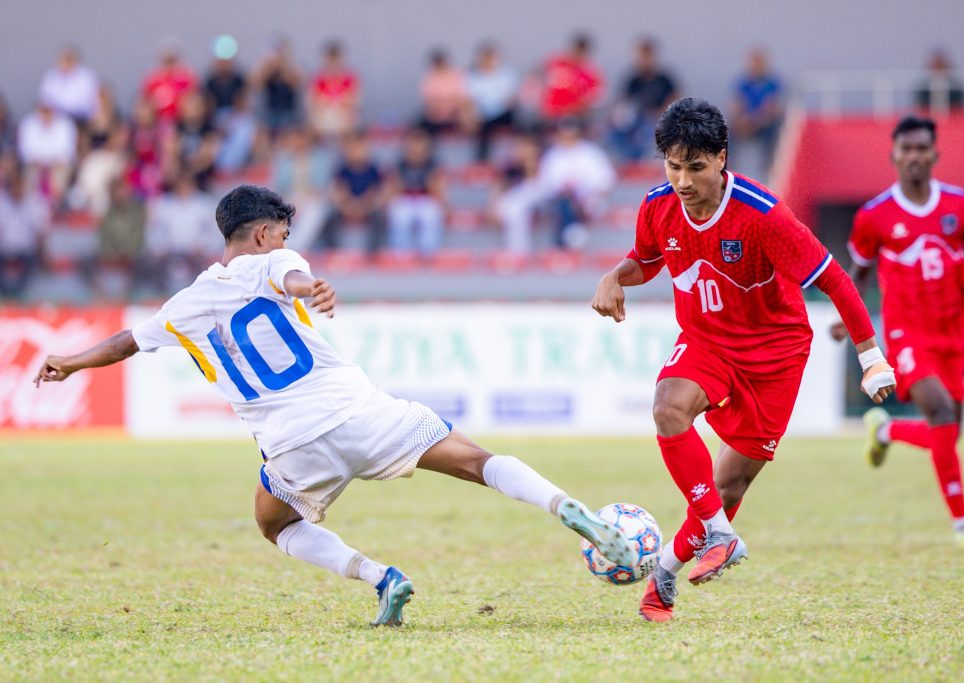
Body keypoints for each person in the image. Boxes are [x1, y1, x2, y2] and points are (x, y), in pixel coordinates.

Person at [33, 184, 636, 627]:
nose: (286, 244)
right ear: (264, 235)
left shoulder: (186, 302)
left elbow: (126, 341)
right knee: (477, 462)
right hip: (358, 413)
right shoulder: (274, 261)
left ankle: (381, 578)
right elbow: (290, 277)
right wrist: (310, 287)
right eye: (283, 234)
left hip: (292, 446)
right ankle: (567, 507)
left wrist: (71, 361)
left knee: (274, 524)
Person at [591, 98, 895, 623]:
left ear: (721, 157)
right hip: (707, 339)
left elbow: (835, 280)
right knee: (668, 407)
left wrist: (872, 358)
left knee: (729, 484)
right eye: (673, 166)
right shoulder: (658, 204)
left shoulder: (762, 214)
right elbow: (647, 260)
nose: (682, 181)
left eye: (695, 167)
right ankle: (721, 534)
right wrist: (614, 276)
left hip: (774, 352)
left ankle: (663, 576)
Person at [830, 115, 964, 548]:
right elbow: (858, 273)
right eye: (907, 149)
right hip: (907, 335)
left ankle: (885, 430)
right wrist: (845, 317)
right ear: (895, 155)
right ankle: (963, 521)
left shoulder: (963, 206)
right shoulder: (874, 215)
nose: (915, 156)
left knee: (948, 433)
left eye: (922, 148)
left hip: (953, 333)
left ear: (935, 153)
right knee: (939, 413)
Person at [537, 117, 615, 249]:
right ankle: (573, 239)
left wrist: (583, 195)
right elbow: (544, 185)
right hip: (559, 201)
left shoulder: (592, 153)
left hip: (589, 199)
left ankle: (569, 242)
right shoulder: (553, 155)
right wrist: (564, 190)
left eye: (571, 134)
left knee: (587, 206)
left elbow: (607, 182)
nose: (568, 138)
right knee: (564, 205)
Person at [0, 163, 50, 299]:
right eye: (14, 184)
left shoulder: (35, 202)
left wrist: (44, 255)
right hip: (3, 249)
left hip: (26, 250)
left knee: (32, 265)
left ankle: (18, 298)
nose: (17, 188)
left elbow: (41, 233)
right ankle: (4, 298)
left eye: (20, 184)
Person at [315, 130, 387, 255]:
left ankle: (374, 252)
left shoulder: (373, 170)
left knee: (381, 215)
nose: (356, 151)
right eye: (353, 147)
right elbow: (338, 191)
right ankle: (333, 251)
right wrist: (346, 206)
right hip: (347, 207)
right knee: (329, 214)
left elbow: (379, 192)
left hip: (368, 207)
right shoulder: (342, 169)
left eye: (360, 147)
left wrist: (365, 206)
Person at [609, 38, 679, 161]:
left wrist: (660, 113)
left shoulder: (663, 80)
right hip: (636, 122)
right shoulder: (633, 81)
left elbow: (675, 99)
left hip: (658, 122)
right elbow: (624, 102)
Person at [388, 126, 445, 256]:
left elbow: (438, 187)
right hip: (405, 198)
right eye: (413, 143)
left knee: (431, 214)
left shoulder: (431, 164)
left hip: (426, 198)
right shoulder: (401, 164)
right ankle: (401, 254)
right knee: (399, 214)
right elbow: (394, 186)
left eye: (419, 143)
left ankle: (429, 253)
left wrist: (443, 201)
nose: (416, 148)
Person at [728, 48, 783, 181]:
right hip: (746, 122)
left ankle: (769, 166)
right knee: (726, 130)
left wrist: (756, 122)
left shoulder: (772, 83)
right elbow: (736, 104)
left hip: (764, 123)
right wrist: (740, 120)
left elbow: (773, 108)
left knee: (774, 130)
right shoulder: (743, 82)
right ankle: (727, 165)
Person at [466, 42, 518, 161]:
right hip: (481, 115)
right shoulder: (473, 76)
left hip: (503, 112)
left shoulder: (507, 73)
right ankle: (482, 161)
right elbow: (469, 100)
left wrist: (499, 108)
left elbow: (512, 98)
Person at [539, 33, 603, 123]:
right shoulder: (556, 63)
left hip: (573, 117)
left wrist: (571, 110)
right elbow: (538, 81)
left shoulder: (590, 74)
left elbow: (592, 99)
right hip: (549, 114)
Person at [307, 41, 360, 141]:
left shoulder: (349, 78)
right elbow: (313, 101)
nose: (333, 64)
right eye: (330, 60)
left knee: (351, 128)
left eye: (335, 60)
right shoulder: (318, 78)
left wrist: (339, 105)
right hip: (323, 118)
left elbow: (354, 100)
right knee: (310, 130)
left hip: (343, 118)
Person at [37, 45, 100, 125]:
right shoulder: (51, 77)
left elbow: (95, 103)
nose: (66, 63)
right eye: (63, 60)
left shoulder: (87, 77)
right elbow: (44, 102)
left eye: (69, 59)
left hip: (83, 119)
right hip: (57, 121)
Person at [418, 48, 470, 136]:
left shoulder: (456, 75)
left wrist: (448, 103)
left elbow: (461, 97)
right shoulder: (429, 77)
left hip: (455, 110)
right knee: (421, 125)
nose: (440, 66)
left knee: (467, 114)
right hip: (436, 112)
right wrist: (442, 104)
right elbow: (429, 101)